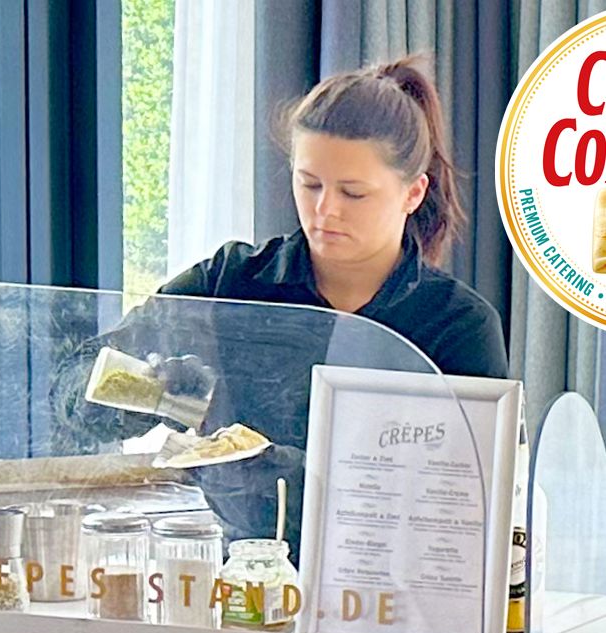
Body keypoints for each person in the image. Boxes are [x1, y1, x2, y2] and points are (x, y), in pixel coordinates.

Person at [51, 56, 509, 557]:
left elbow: (466, 503)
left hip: (392, 578)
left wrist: (300, 476)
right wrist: (151, 394)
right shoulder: (229, 283)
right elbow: (72, 389)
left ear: (413, 193)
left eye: (353, 193)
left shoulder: (458, 325)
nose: (325, 210)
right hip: (242, 570)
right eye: (309, 184)